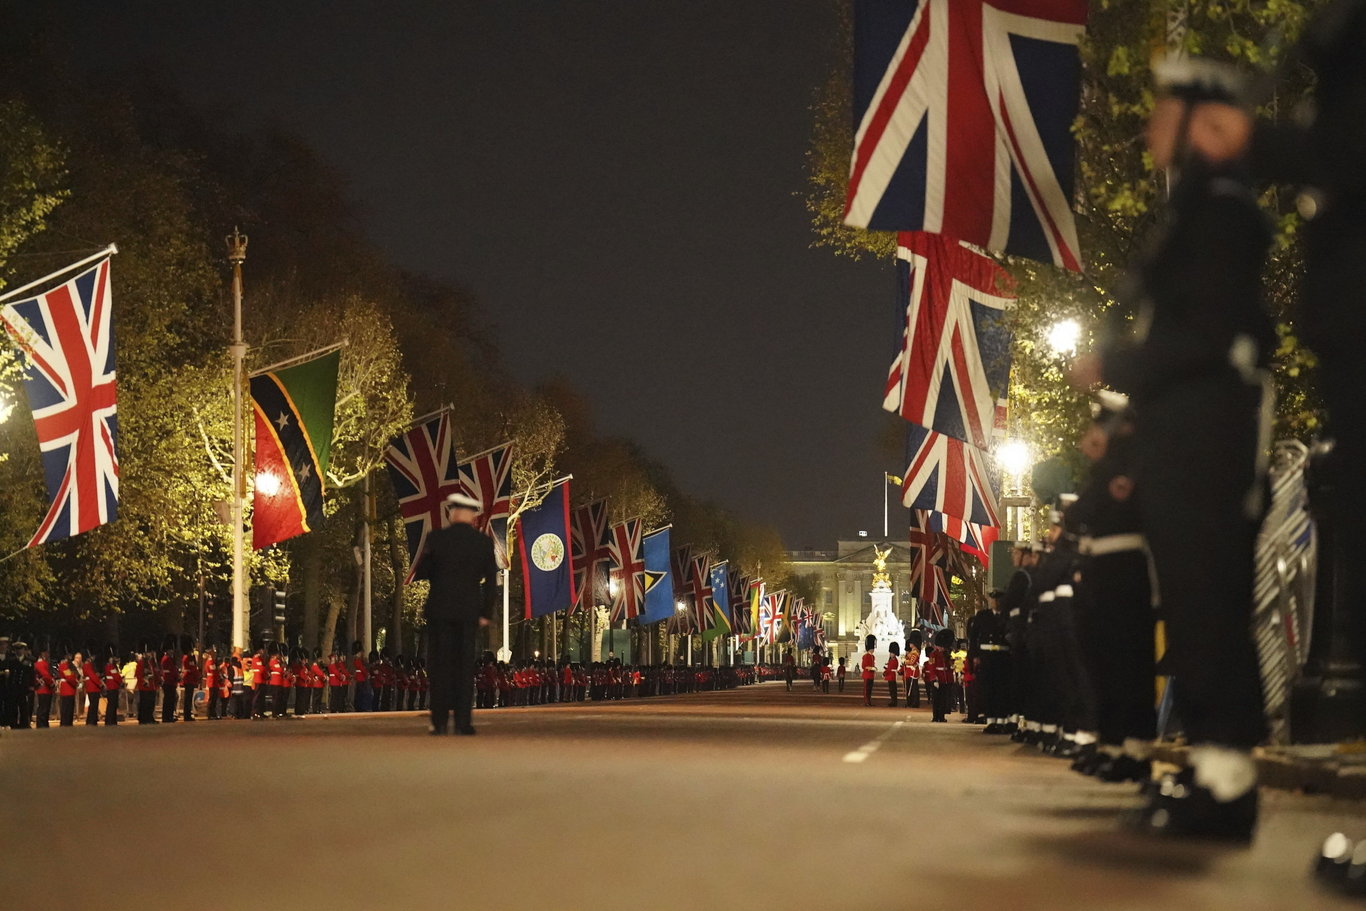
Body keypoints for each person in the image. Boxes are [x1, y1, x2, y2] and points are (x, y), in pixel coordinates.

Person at [1074, 59, 1273, 842]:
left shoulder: (1222, 212)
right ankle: (1214, 771)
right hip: (1182, 428)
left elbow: (1207, 335)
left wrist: (1114, 367)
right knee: (1191, 603)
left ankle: (1229, 779)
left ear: (1204, 123)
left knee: (1209, 598)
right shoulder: (1194, 214)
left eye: (1166, 113)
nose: (1151, 127)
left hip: (1211, 427)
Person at [415, 490, 498, 736]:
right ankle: (463, 722)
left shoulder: (436, 538)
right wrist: (485, 612)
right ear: (471, 515)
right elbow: (491, 582)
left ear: (456, 512)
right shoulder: (482, 542)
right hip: (468, 612)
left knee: (440, 667)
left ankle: (439, 721)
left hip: (440, 610)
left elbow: (424, 570)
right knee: (464, 668)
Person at [33, 642, 54, 728]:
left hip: (46, 689)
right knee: (43, 709)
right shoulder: (40, 663)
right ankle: (41, 725)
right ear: (42, 653)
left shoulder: (43, 663)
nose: (48, 654)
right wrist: (52, 683)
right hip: (44, 689)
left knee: (45, 708)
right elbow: (46, 675)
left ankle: (44, 724)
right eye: (46, 652)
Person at [101, 646, 121, 725]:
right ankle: (110, 721)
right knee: (112, 705)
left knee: (113, 705)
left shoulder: (110, 666)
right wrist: (121, 681)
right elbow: (116, 676)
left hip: (113, 686)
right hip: (112, 686)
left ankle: (112, 721)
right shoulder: (110, 666)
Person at [860, 635, 877, 707]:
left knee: (869, 690)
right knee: (866, 690)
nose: (873, 649)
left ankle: (869, 701)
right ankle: (866, 701)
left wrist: (873, 668)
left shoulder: (872, 656)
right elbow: (864, 666)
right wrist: (871, 668)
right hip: (867, 675)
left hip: (871, 675)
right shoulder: (865, 656)